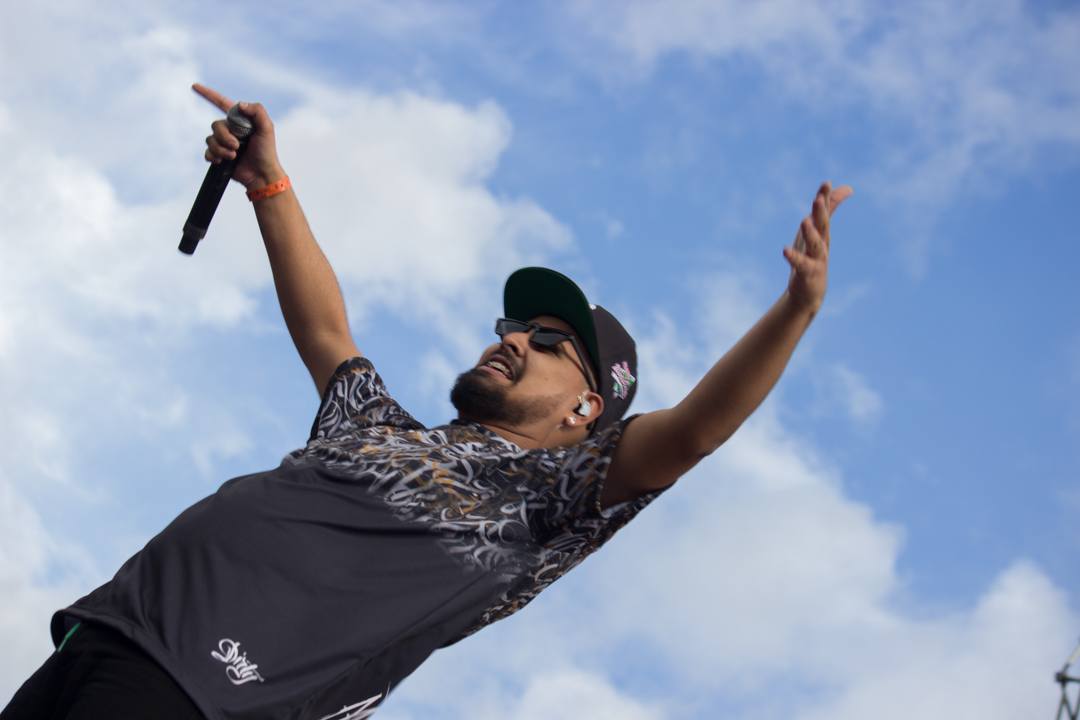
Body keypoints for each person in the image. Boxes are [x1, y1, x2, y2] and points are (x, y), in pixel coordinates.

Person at [1, 85, 852, 720]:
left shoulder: (553, 499)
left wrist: (795, 309)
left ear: (586, 411)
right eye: (513, 324)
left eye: (548, 341)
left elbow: (694, 432)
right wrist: (269, 184)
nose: (513, 338)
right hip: (109, 630)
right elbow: (327, 329)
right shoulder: (375, 425)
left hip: (207, 695)